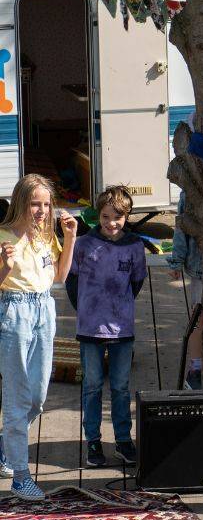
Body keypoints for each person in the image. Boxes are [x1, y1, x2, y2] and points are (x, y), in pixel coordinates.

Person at [0, 174, 77, 499]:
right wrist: (4, 266)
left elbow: (59, 276)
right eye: (35, 203)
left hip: (45, 308)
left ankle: (6, 446)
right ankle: (20, 476)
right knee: (17, 398)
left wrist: (70, 238)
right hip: (14, 311)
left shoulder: (45, 236)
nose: (42, 210)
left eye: (46, 204)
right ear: (21, 202)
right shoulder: (3, 235)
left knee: (38, 398)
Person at [66, 186, 147, 469]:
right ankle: (93, 440)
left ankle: (123, 439)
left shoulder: (135, 246)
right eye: (105, 217)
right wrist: (86, 308)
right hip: (90, 328)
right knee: (91, 385)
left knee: (121, 386)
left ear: (127, 216)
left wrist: (120, 307)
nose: (111, 223)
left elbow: (136, 282)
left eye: (118, 217)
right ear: (97, 216)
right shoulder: (84, 244)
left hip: (122, 329)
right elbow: (71, 278)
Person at [168, 191, 203, 389]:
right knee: (198, 319)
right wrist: (176, 261)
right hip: (200, 269)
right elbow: (181, 228)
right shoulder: (189, 193)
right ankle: (196, 367)